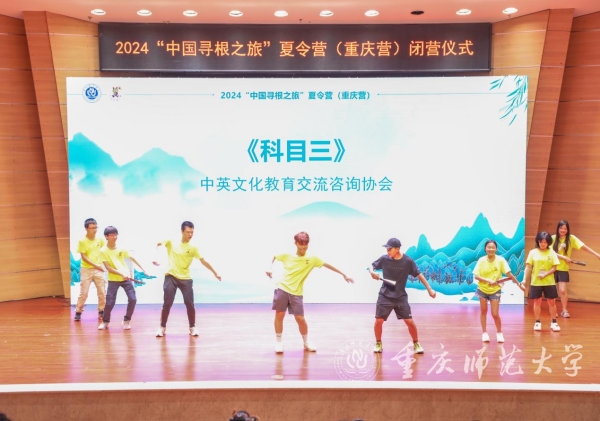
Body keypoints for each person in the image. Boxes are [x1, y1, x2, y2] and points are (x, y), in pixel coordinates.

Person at [266, 231, 353, 353]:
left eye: (305, 244)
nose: (303, 247)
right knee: (279, 315)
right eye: (301, 244)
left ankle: (306, 342)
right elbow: (274, 257)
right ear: (296, 243)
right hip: (282, 288)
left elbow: (327, 265)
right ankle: (279, 342)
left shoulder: (312, 259)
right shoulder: (287, 255)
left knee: (300, 319)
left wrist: (343, 274)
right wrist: (269, 268)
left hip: (297, 292)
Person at [153, 221, 221, 337]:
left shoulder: (193, 248)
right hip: (171, 276)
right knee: (167, 303)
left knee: (189, 304)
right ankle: (162, 327)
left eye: (192, 232)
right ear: (182, 231)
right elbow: (158, 244)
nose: (190, 235)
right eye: (188, 232)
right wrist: (155, 258)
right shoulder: (171, 241)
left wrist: (215, 273)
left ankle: (192, 327)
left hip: (185, 278)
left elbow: (203, 261)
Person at [369, 238, 436, 354]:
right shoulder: (384, 259)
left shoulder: (407, 261)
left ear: (397, 249)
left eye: (389, 249)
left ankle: (416, 343)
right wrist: (371, 272)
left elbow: (419, 275)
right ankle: (378, 343)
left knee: (409, 322)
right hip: (385, 295)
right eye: (387, 249)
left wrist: (429, 289)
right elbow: (372, 266)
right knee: (378, 320)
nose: (387, 251)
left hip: (400, 296)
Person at [472, 239, 523, 343]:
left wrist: (518, 284)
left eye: (493, 247)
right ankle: (484, 333)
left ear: (496, 249)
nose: (491, 249)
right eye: (489, 247)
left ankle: (499, 333)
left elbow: (509, 274)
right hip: (482, 289)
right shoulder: (481, 260)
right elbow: (476, 276)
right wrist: (488, 280)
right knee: (483, 311)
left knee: (495, 314)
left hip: (495, 290)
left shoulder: (501, 260)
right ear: (485, 249)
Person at [98, 226, 146, 330]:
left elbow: (132, 258)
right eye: (112, 235)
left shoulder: (121, 248)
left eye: (116, 234)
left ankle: (126, 320)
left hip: (126, 279)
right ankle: (105, 321)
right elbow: (108, 268)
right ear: (106, 236)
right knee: (109, 303)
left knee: (133, 299)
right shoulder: (103, 251)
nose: (114, 237)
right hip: (113, 279)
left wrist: (143, 269)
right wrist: (121, 273)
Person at [552, 219, 600, 318]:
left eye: (565, 228)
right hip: (551, 267)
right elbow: (549, 253)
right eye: (561, 228)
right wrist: (564, 257)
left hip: (563, 268)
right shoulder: (552, 238)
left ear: (568, 230)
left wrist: (597, 254)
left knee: (562, 290)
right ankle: (553, 310)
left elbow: (584, 247)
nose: (563, 230)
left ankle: (564, 310)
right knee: (551, 291)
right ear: (558, 228)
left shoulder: (571, 238)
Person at [524, 231, 561, 332]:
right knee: (537, 302)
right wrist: (524, 280)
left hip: (549, 282)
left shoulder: (552, 253)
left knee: (551, 302)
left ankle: (554, 322)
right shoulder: (533, 252)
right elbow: (528, 267)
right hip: (536, 282)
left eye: (545, 242)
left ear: (548, 242)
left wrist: (545, 274)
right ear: (538, 241)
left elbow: (554, 268)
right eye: (541, 242)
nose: (543, 244)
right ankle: (537, 322)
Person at [74, 218, 106, 321]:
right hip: (86, 269)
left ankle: (101, 310)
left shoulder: (100, 240)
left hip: (98, 269)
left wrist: (105, 265)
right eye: (92, 228)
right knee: (84, 293)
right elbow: (84, 257)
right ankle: (78, 311)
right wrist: (96, 266)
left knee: (102, 292)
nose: (94, 230)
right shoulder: (82, 241)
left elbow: (104, 252)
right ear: (86, 229)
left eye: (96, 227)